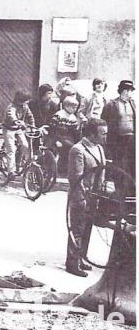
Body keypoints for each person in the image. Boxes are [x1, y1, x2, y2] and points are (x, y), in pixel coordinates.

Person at [66, 118, 107, 277]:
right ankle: (72, 263)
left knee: (87, 229)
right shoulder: (78, 150)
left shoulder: (98, 148)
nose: (105, 137)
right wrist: (81, 198)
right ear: (91, 133)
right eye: (102, 133)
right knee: (77, 229)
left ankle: (81, 258)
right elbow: (75, 178)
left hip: (94, 196)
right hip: (80, 196)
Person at [102, 80, 135, 180]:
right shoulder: (111, 104)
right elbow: (104, 120)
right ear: (124, 91)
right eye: (130, 90)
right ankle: (119, 188)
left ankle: (131, 188)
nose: (131, 93)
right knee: (119, 163)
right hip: (118, 139)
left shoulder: (132, 103)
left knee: (132, 163)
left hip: (132, 138)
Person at [2, 91, 35, 175]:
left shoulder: (25, 107)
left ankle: (18, 163)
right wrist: (16, 121)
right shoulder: (11, 107)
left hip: (18, 129)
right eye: (26, 100)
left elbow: (30, 116)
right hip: (8, 129)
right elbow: (11, 115)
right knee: (11, 150)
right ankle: (11, 171)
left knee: (25, 145)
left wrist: (32, 126)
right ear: (20, 100)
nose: (27, 102)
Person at [48, 96, 81, 176]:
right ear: (66, 106)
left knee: (73, 147)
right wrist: (56, 140)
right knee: (68, 147)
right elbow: (52, 129)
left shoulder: (73, 118)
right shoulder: (59, 115)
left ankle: (66, 168)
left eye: (76, 107)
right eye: (73, 107)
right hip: (58, 136)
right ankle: (60, 169)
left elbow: (74, 132)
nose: (75, 109)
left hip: (68, 137)